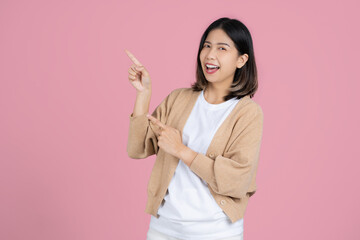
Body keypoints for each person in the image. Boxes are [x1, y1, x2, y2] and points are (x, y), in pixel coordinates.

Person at [126, 17, 263, 240]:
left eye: (222, 48)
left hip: (216, 232)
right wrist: (143, 95)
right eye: (206, 46)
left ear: (241, 60)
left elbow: (237, 181)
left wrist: (182, 151)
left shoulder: (247, 113)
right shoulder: (178, 99)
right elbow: (137, 148)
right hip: (164, 228)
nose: (210, 54)